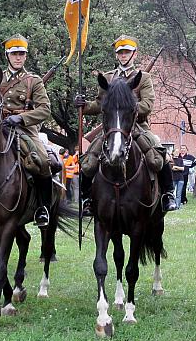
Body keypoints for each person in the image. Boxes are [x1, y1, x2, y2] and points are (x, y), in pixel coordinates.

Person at [75, 35, 177, 215]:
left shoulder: (143, 78)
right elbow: (100, 104)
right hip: (112, 127)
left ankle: (168, 194)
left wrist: (128, 108)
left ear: (134, 54)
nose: (123, 55)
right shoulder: (108, 78)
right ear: (116, 55)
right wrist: (84, 105)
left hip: (136, 126)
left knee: (159, 154)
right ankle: (87, 199)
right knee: (89, 160)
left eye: (127, 52)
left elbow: (148, 105)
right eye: (120, 52)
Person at [0, 34, 62, 227]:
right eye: (15, 54)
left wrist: (21, 117)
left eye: (22, 54)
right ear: (7, 55)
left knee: (42, 161)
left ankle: (42, 207)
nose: (18, 57)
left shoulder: (33, 81)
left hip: (25, 129)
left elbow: (45, 109)